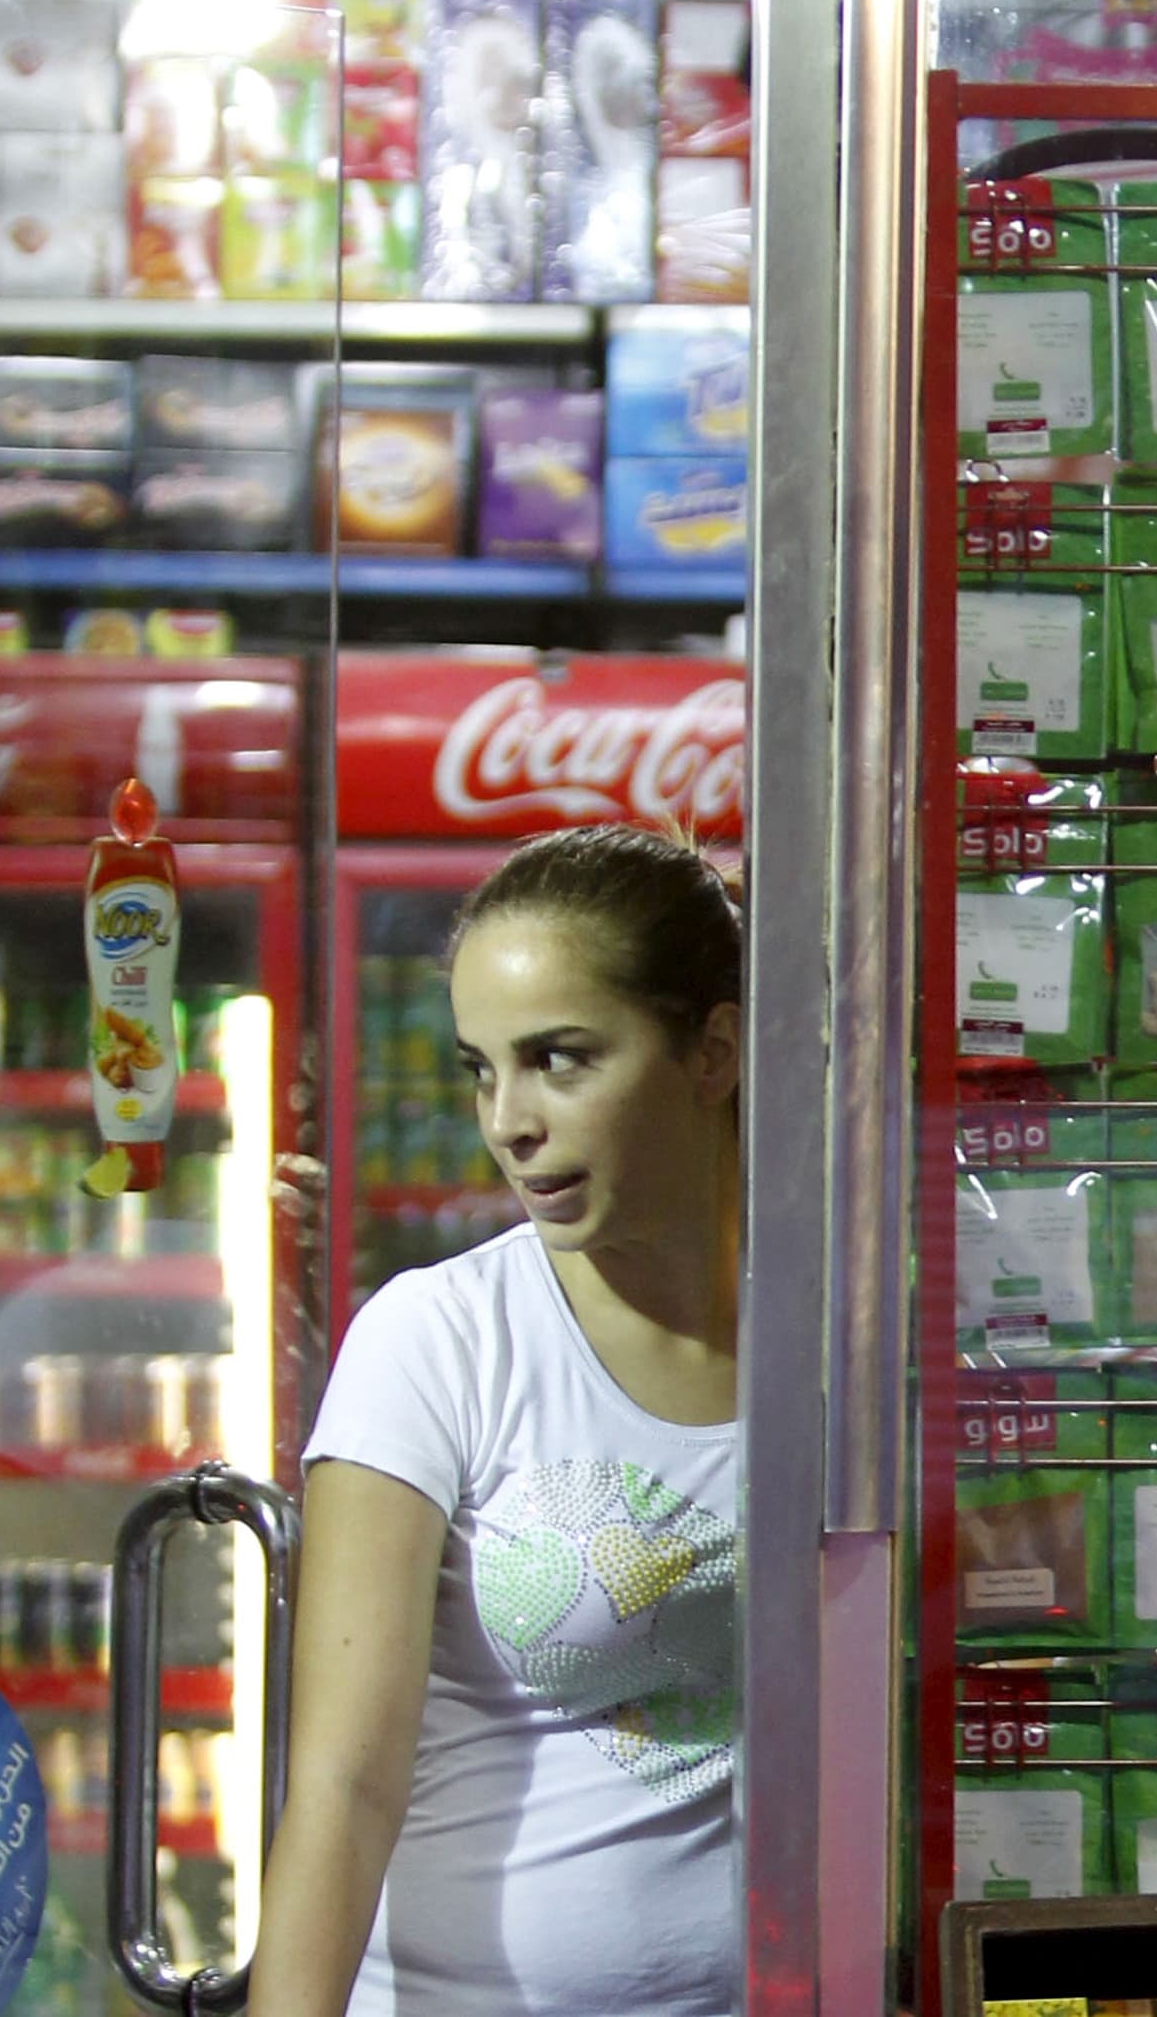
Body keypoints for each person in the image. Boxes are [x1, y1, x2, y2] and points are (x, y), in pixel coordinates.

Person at [255, 824, 744, 2017]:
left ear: (713, 1050)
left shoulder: (848, 1338)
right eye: (482, 1067)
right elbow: (342, 1784)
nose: (509, 1120)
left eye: (561, 1059)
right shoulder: (438, 1340)